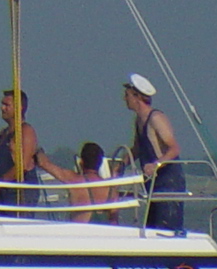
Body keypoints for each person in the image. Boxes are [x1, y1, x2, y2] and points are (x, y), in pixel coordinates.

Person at [123, 73, 186, 232]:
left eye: (127, 95)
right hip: (152, 183)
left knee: (165, 227)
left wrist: (156, 164)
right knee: (151, 227)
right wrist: (120, 165)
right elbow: (137, 148)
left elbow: (174, 148)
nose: (125, 99)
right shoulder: (139, 120)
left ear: (136, 96)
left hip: (168, 180)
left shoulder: (156, 118)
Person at [0, 89, 66, 210]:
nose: (2, 108)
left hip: (20, 193)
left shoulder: (26, 131)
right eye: (2, 104)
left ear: (19, 108)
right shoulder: (3, 135)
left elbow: (23, 165)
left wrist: (0, 183)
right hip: (3, 193)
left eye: (7, 105)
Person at [52, 140, 119, 223]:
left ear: (81, 162)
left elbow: (44, 163)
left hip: (79, 230)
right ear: (100, 163)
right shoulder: (111, 190)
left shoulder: (74, 180)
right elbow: (114, 223)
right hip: (104, 230)